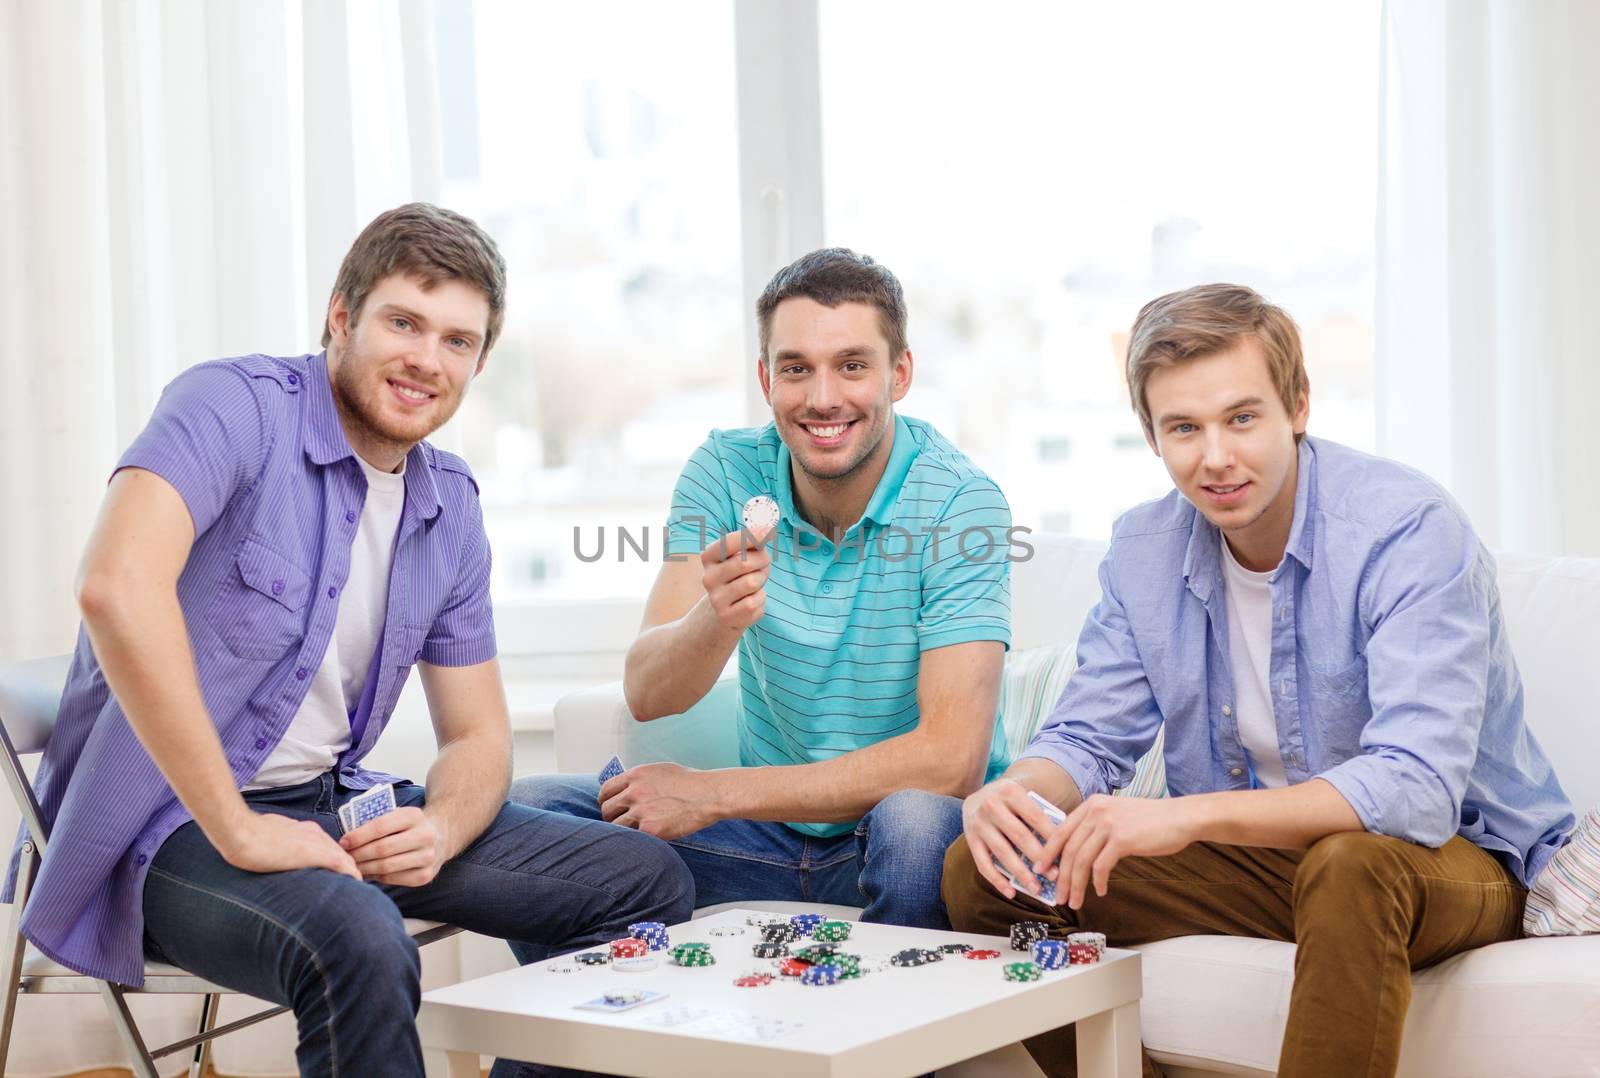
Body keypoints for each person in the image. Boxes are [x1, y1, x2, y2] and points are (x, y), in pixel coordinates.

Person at [6, 204, 693, 1078]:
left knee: (645, 884)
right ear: (342, 315)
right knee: (362, 939)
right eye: (403, 322)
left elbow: (479, 736)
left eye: (457, 340)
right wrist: (243, 832)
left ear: (478, 363)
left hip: (332, 809)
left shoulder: (449, 507)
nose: (425, 360)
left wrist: (440, 830)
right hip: (167, 828)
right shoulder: (232, 407)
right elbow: (115, 586)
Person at [942, 283, 1573, 1078]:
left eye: (1242, 418)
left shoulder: (1405, 529)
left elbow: (1415, 789)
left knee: (1348, 864)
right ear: (1151, 435)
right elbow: (1087, 736)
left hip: (1449, 861)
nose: (1215, 457)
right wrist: (1019, 795)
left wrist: (1185, 819)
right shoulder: (1144, 550)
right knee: (983, 873)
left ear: (1297, 405)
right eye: (1184, 428)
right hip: (1267, 867)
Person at [513, 248, 1014, 929]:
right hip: (761, 842)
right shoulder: (724, 470)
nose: (822, 398)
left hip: (890, 841)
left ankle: (876, 1032)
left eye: (852, 366)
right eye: (796, 368)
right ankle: (635, 1023)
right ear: (765, 377)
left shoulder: (961, 503)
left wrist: (714, 794)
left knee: (917, 823)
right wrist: (715, 619)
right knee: (536, 812)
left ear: (899, 374)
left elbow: (951, 761)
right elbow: (649, 692)